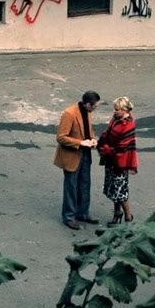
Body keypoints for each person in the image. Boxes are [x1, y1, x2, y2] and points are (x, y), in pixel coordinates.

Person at [53, 91, 101, 230]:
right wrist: (80, 143)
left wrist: (92, 139)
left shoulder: (87, 112)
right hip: (72, 155)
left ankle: (83, 213)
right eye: (95, 106)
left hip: (85, 153)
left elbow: (88, 129)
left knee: (85, 185)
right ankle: (69, 217)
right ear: (88, 104)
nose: (95, 109)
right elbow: (61, 137)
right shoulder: (69, 114)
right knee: (71, 186)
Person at [97, 96, 139, 226]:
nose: (114, 111)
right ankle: (117, 212)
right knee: (114, 188)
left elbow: (122, 147)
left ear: (124, 109)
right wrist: (101, 143)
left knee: (121, 191)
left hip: (121, 162)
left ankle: (128, 216)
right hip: (112, 159)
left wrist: (105, 148)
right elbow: (107, 133)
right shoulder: (116, 119)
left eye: (116, 109)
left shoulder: (128, 125)